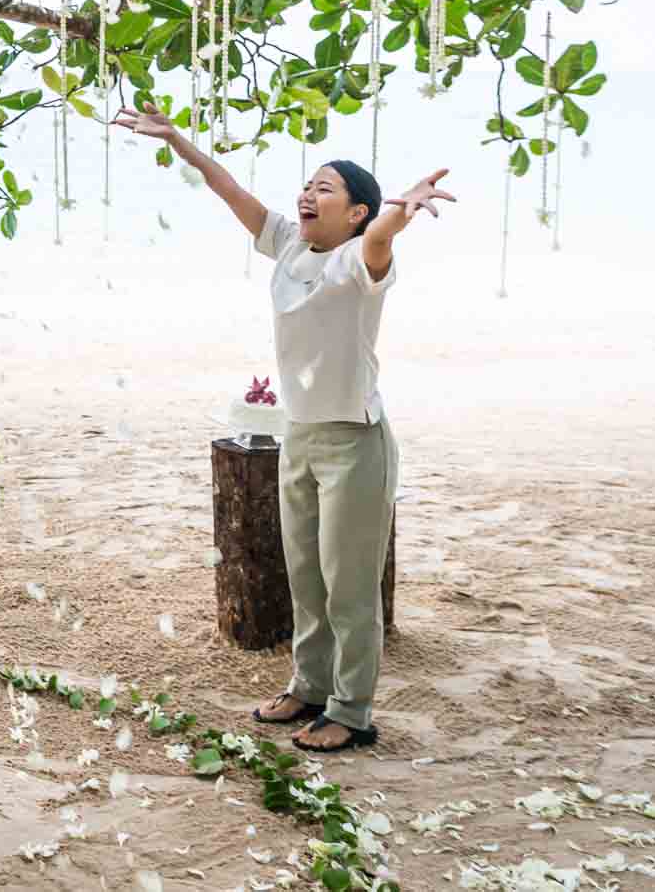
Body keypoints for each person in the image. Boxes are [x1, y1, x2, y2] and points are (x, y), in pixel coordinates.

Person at [115, 105, 454, 753]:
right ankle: (309, 683)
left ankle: (352, 711)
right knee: (307, 576)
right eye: (308, 183)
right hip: (298, 434)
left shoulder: (360, 260)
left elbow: (382, 240)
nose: (307, 193)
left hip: (355, 441)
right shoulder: (292, 241)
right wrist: (181, 142)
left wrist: (402, 210)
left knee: (349, 585)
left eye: (325, 188)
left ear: (355, 211)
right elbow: (232, 192)